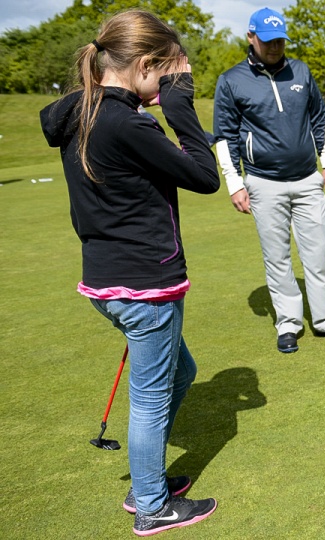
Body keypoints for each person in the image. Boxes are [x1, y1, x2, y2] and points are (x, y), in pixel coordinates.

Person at [39, 10, 219, 536]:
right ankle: (151, 505)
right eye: (164, 74)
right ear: (143, 65)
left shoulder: (86, 111)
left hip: (110, 279)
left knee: (178, 375)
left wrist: (164, 94)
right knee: (152, 396)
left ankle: (147, 482)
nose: (168, 85)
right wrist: (181, 106)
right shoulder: (125, 121)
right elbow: (204, 176)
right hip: (145, 283)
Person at [213, 7, 325, 354]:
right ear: (251, 37)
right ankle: (288, 323)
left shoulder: (301, 71)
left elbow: (320, 118)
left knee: (319, 252)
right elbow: (224, 137)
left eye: (280, 40)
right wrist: (235, 183)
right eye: (268, 40)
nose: (275, 47)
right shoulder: (231, 80)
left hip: (307, 179)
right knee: (277, 258)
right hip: (263, 182)